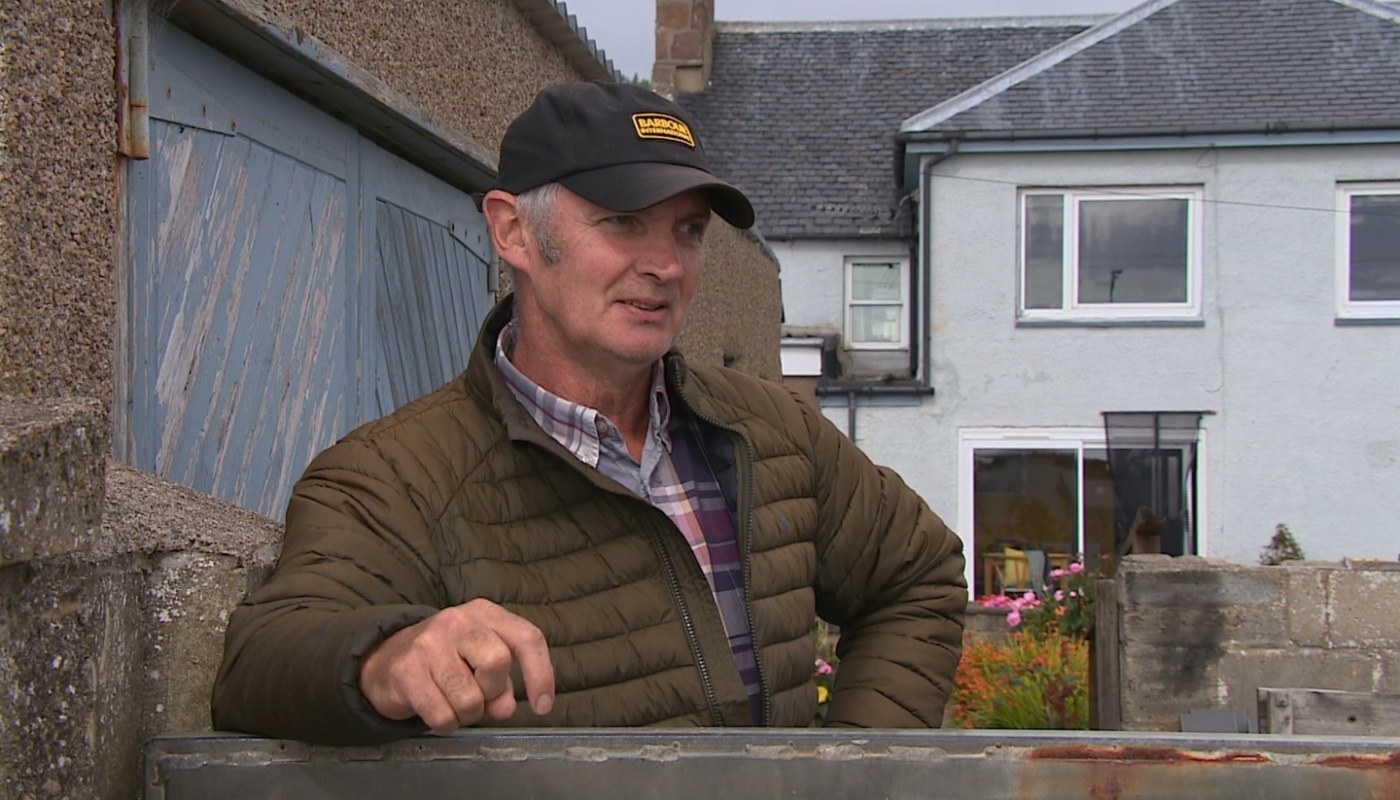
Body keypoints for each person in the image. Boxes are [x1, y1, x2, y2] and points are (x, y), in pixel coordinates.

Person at [211, 81, 966, 745]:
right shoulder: (397, 476)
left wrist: (854, 772)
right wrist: (384, 656)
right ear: (512, 231)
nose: (666, 265)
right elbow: (262, 658)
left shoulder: (774, 432)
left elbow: (917, 576)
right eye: (624, 222)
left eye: (689, 230)